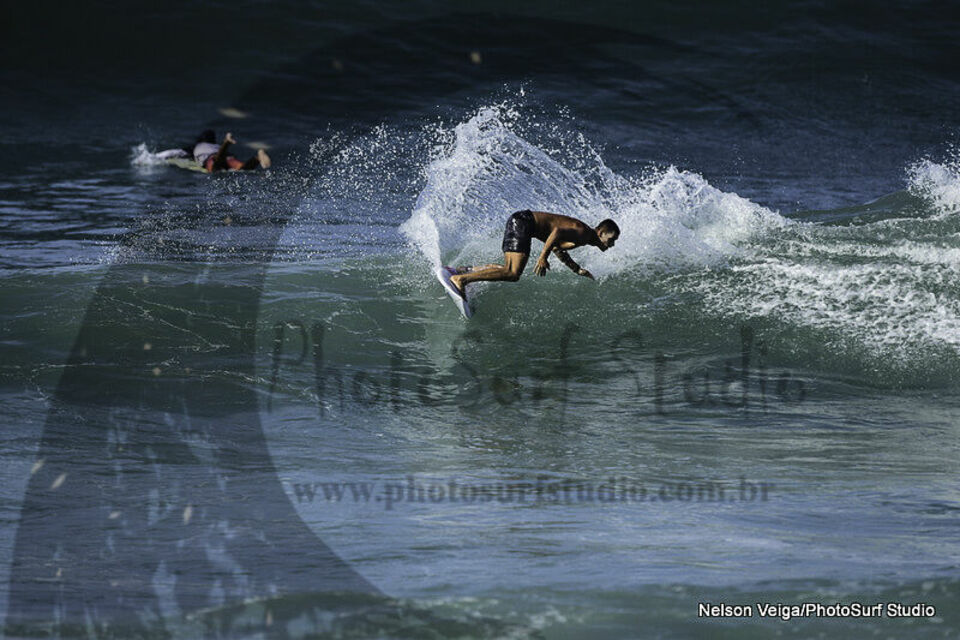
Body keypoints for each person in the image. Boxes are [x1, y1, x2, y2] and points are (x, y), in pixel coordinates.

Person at [448, 210, 620, 297]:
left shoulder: (584, 237)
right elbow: (557, 232)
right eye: (611, 239)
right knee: (512, 273)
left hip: (521, 221)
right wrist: (542, 258)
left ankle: (465, 270)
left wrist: (576, 269)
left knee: (508, 269)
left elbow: (556, 247)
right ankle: (461, 280)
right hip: (525, 223)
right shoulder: (583, 233)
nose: (612, 245)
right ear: (600, 233)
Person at [190, 130, 271, 172]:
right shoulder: (216, 145)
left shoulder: (197, 146)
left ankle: (226, 142)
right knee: (242, 168)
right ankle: (257, 158)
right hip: (227, 156)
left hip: (213, 157)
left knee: (216, 166)